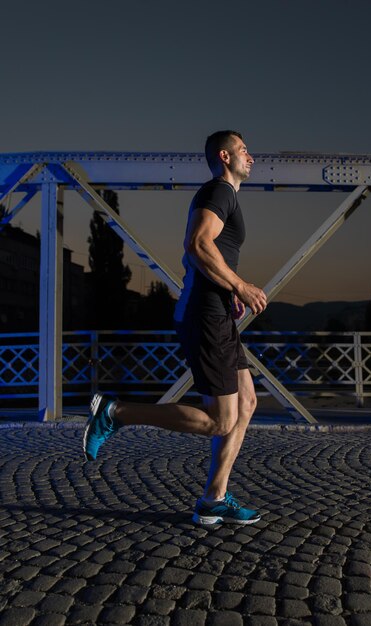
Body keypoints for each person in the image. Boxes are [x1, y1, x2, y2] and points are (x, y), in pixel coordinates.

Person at [83, 130, 268, 525]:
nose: (251, 157)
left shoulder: (225, 195)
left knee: (247, 403)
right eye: (243, 151)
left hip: (217, 312)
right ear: (225, 156)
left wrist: (228, 286)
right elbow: (198, 245)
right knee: (220, 419)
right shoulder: (219, 191)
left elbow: (209, 253)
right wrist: (240, 284)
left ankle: (213, 499)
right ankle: (116, 412)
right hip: (205, 315)